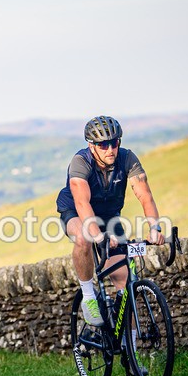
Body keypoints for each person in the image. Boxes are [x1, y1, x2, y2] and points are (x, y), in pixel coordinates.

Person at [56, 116, 165, 327]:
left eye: (114, 143)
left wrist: (155, 228)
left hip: (109, 217)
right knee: (84, 236)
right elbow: (81, 202)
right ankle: (88, 296)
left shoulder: (127, 159)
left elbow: (145, 196)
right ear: (91, 146)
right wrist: (98, 236)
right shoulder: (81, 162)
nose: (110, 150)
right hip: (76, 211)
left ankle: (129, 347)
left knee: (127, 286)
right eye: (103, 145)